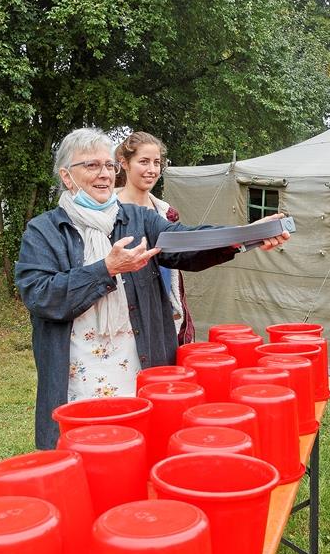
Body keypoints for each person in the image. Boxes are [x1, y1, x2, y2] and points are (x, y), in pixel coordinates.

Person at [15, 127, 289, 449]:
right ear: (66, 176)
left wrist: (243, 235)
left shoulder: (138, 219)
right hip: (78, 373)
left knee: (137, 447)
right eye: (91, 166)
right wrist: (106, 269)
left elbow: (185, 243)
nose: (104, 174)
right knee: (88, 451)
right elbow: (38, 293)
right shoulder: (45, 230)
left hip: (137, 365)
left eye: (108, 166)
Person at [115, 131, 195, 345]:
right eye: (144, 162)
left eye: (157, 162)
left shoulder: (166, 213)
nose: (152, 170)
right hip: (126, 317)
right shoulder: (109, 212)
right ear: (124, 163)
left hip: (167, 314)